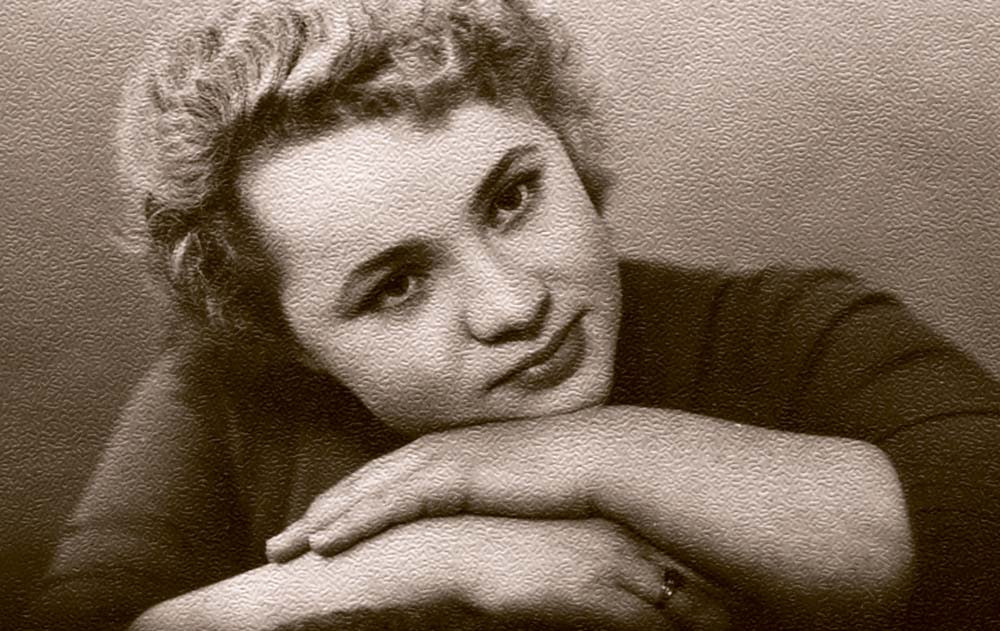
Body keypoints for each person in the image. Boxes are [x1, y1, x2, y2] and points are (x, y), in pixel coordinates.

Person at [29, 0, 1000, 629]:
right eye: (395, 285)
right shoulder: (223, 403)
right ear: (286, 337)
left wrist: (582, 453)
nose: (514, 304)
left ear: (567, 148)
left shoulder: (785, 321)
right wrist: (424, 560)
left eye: (511, 199)